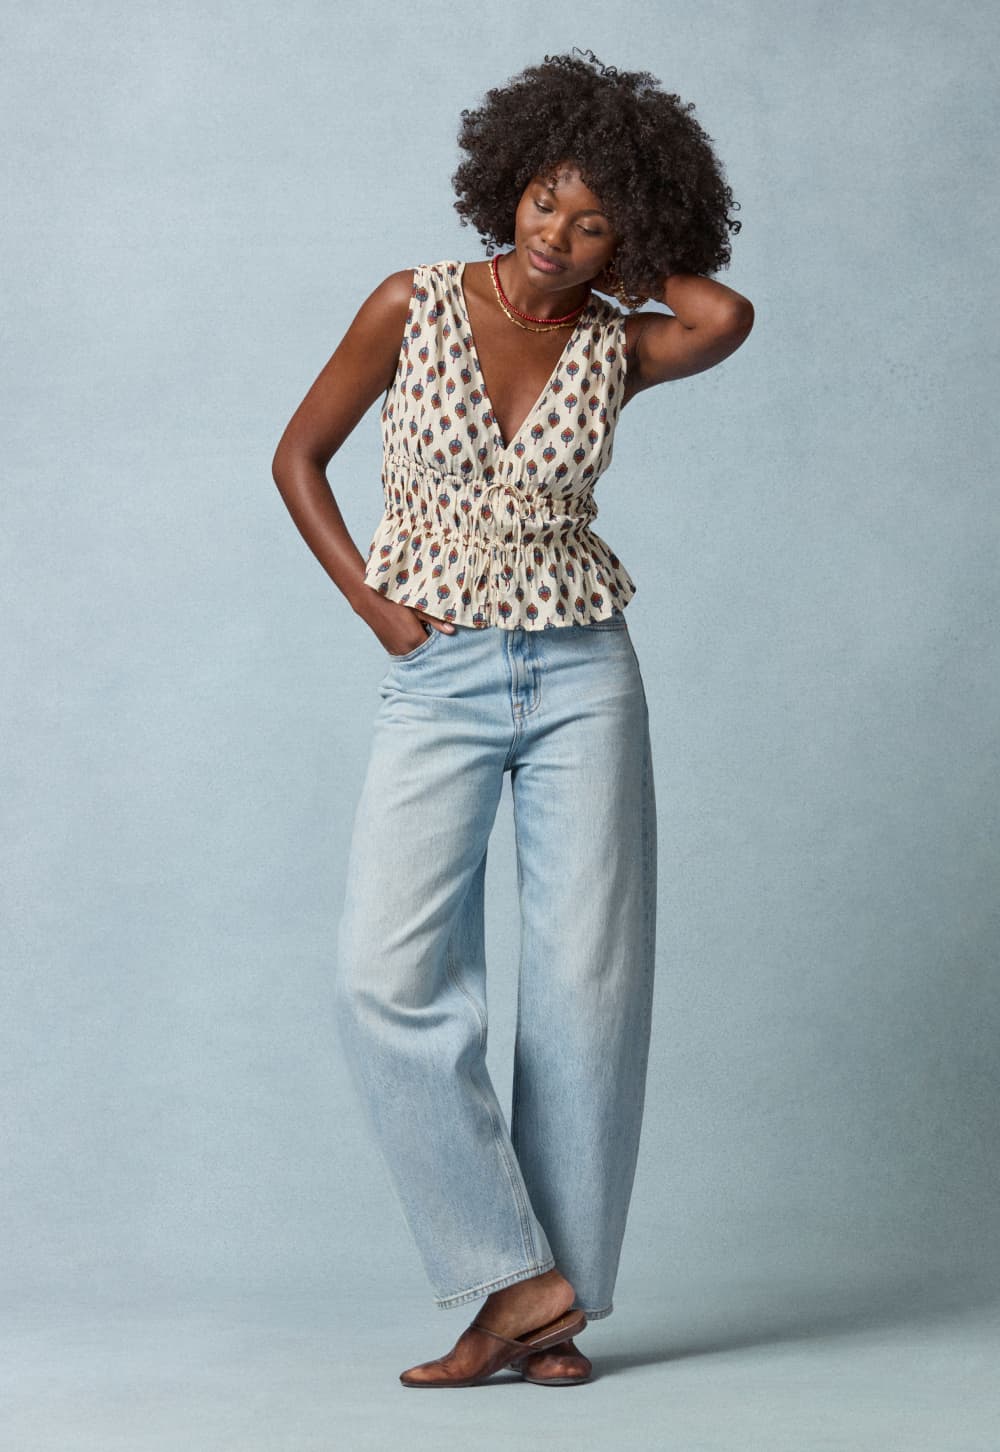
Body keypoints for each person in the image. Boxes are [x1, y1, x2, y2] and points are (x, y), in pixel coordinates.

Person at [272, 49, 754, 1389]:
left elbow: (725, 313)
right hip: (442, 670)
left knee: (585, 992)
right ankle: (513, 1274)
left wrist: (640, 244)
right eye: (547, 199)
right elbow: (297, 455)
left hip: (585, 671)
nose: (558, 235)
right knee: (384, 976)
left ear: (627, 236)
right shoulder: (412, 300)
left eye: (596, 220)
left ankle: (554, 1319)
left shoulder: (618, 344)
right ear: (509, 185)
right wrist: (380, 611)